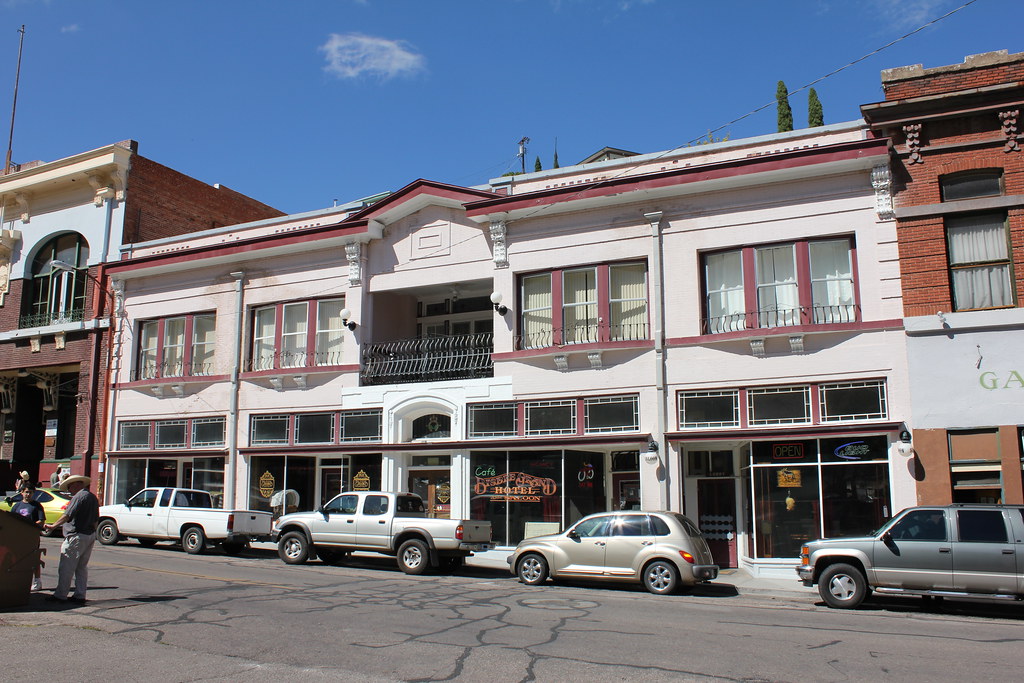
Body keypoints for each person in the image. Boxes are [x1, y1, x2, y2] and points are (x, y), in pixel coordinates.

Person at [43, 475, 99, 605]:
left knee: (66, 567)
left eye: (69, 487)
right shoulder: (92, 497)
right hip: (89, 534)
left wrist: (53, 526)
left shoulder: (79, 497)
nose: (69, 491)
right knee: (81, 567)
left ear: (76, 485)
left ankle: (61, 594)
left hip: (76, 535)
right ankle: (80, 594)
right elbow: (96, 519)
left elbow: (67, 515)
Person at [8, 484, 46, 591]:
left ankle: (37, 581)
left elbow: (41, 521)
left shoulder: (37, 506)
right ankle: (18, 581)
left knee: (34, 558)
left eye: (31, 492)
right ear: (22, 493)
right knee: (18, 558)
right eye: (26, 492)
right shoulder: (17, 506)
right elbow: (11, 521)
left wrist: (30, 525)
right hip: (19, 537)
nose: (28, 494)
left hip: (32, 536)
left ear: (33, 494)